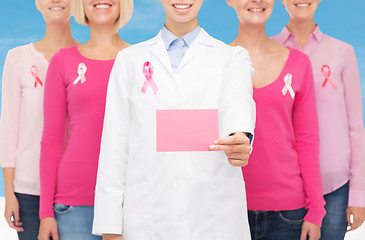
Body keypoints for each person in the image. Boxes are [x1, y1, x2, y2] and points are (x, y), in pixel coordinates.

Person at [92, 0, 256, 239]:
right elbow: (114, 149)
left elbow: (238, 99)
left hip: (213, 221)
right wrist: (110, 228)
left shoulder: (232, 57)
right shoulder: (129, 60)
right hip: (148, 221)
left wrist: (240, 135)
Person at [226, 0, 326, 239]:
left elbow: (307, 141)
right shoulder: (214, 64)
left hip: (288, 214)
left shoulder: (299, 64)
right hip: (227, 208)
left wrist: (315, 211)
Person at [37, 0, 133, 239]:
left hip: (131, 200)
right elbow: (52, 139)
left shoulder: (141, 60)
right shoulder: (63, 61)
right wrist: (45, 212)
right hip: (74, 204)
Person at [271, 0, 365, 239]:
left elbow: (355, 126)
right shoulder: (269, 49)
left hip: (334, 188)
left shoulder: (342, 51)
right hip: (283, 188)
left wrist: (358, 194)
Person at [0, 0, 77, 239]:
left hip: (78, 190)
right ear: (37, 3)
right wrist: (9, 191)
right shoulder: (18, 58)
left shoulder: (87, 59)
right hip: (28, 191)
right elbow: (9, 127)